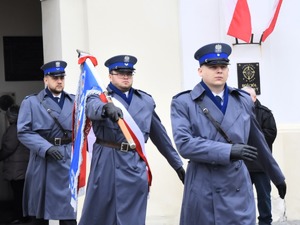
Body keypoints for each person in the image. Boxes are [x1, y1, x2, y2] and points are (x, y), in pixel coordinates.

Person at [170, 43, 286, 225]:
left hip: (237, 185)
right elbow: (185, 144)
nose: (219, 71)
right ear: (200, 71)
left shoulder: (243, 100)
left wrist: (277, 176)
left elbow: (258, 141)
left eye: (223, 66)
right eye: (212, 66)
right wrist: (229, 151)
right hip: (204, 184)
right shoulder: (184, 102)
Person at [78, 54, 185, 225]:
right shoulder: (99, 97)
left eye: (129, 73)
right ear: (110, 75)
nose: (125, 76)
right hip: (107, 163)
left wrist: (177, 165)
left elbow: (161, 137)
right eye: (120, 73)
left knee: (132, 217)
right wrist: (106, 108)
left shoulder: (146, 101)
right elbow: (92, 109)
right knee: (100, 215)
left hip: (134, 165)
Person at [17, 60, 77, 225]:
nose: (59, 81)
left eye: (62, 77)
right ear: (46, 79)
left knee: (68, 216)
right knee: (39, 216)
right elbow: (23, 131)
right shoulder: (31, 102)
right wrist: (46, 148)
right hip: (43, 161)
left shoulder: (74, 102)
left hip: (66, 159)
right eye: (54, 77)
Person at [242, 86, 277, 225]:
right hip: (243, 164)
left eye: (247, 96)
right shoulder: (236, 112)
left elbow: (270, 134)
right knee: (243, 197)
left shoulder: (265, 113)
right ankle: (245, 221)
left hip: (261, 164)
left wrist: (252, 138)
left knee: (264, 197)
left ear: (254, 97)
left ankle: (265, 221)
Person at [0, 104, 30, 224]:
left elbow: (8, 148)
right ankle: (23, 216)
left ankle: (20, 217)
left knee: (18, 194)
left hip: (16, 168)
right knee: (21, 193)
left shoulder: (14, 129)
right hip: (21, 166)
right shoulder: (23, 126)